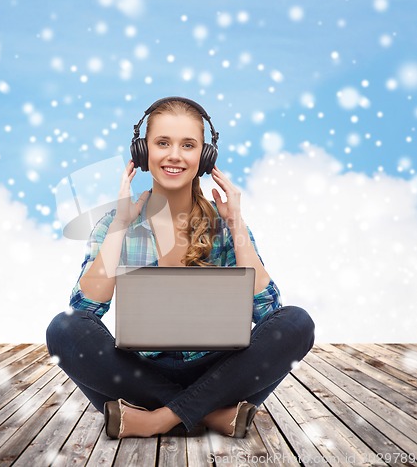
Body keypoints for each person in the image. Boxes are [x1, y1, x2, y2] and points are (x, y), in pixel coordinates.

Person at [46, 97, 315, 440]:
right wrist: (120, 228)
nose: (174, 155)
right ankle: (212, 414)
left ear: (204, 157)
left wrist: (237, 227)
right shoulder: (116, 222)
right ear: (143, 153)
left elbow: (268, 314)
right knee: (63, 329)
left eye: (188, 145)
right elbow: (84, 311)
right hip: (140, 372)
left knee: (297, 322)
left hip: (220, 371)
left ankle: (157, 419)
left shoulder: (224, 224)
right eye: (162, 143)